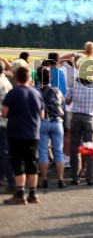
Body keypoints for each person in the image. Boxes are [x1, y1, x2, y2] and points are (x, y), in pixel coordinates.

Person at [2, 67, 44, 205]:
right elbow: (42, 114)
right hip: (33, 133)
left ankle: (20, 193)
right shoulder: (37, 93)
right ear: (29, 78)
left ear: (16, 77)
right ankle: (33, 193)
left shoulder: (13, 93)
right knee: (32, 163)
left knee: (18, 162)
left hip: (16, 132)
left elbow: (5, 113)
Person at [66, 69, 93, 185]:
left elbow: (67, 101)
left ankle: (75, 177)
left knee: (75, 147)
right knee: (89, 147)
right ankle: (90, 177)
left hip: (76, 116)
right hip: (89, 117)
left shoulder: (74, 84)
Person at [36, 67, 66, 189]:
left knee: (43, 152)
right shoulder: (56, 90)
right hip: (57, 122)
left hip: (42, 122)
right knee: (58, 151)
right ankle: (61, 180)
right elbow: (63, 103)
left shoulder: (36, 91)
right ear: (50, 78)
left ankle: (44, 180)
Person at [0, 60, 15, 194]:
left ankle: (11, 179)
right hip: (6, 121)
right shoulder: (7, 82)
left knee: (4, 152)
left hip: (1, 121)